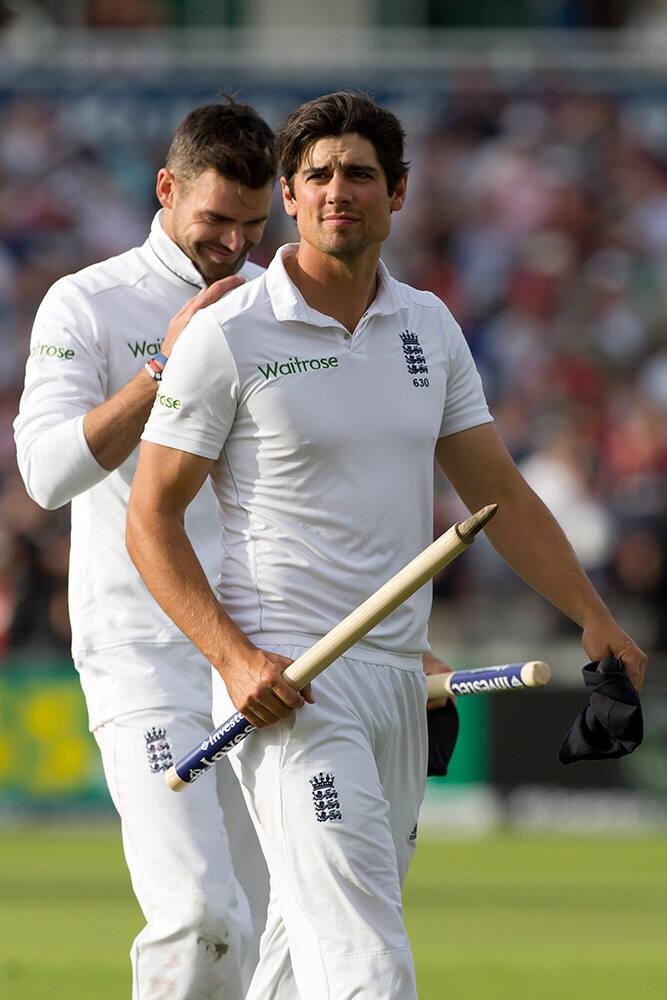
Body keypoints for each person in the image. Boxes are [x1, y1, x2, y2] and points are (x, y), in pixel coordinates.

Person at [126, 91, 647, 1000]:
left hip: (401, 678)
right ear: (287, 194)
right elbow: (149, 518)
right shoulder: (225, 334)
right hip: (289, 686)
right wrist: (234, 658)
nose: (338, 191)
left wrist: (593, 619)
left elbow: (499, 493)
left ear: (397, 193)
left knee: (300, 951)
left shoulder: (430, 327)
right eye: (317, 174)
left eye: (359, 174)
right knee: (366, 961)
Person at [14, 98, 277, 1000]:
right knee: (200, 914)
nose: (235, 243)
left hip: (262, 650)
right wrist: (162, 369)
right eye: (214, 220)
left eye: (253, 224)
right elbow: (47, 474)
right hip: (144, 650)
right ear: (166, 190)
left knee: (266, 928)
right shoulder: (87, 299)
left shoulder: (278, 304)